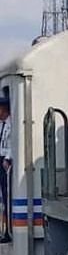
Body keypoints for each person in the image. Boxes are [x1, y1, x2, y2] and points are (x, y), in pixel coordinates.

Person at [0, 95, 11, 243]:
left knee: (7, 196)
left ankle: (8, 231)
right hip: (1, 159)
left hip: (6, 162)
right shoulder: (3, 124)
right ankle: (5, 230)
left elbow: (12, 144)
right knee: (3, 196)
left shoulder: (11, 124)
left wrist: (7, 158)